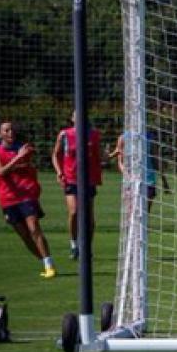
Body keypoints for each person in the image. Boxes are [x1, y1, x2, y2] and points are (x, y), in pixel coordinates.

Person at [0, 121, 56, 279]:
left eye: (12, 129)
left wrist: (23, 157)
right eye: (6, 130)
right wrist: (18, 158)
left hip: (26, 194)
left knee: (34, 228)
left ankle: (49, 265)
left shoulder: (24, 148)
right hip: (7, 198)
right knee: (24, 235)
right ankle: (43, 261)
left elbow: (27, 165)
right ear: (0, 134)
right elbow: (2, 172)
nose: (10, 132)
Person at [50, 111, 103, 261]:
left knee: (89, 216)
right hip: (71, 178)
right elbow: (55, 154)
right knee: (74, 212)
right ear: (72, 119)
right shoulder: (65, 134)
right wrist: (59, 171)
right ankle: (74, 244)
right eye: (76, 115)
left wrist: (112, 155)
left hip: (89, 180)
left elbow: (100, 156)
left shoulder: (94, 134)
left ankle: (87, 248)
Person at [111, 130, 170, 214]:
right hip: (131, 181)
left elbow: (156, 160)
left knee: (145, 213)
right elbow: (120, 162)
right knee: (131, 213)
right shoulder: (123, 137)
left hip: (148, 180)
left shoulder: (149, 137)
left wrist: (164, 181)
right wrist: (127, 175)